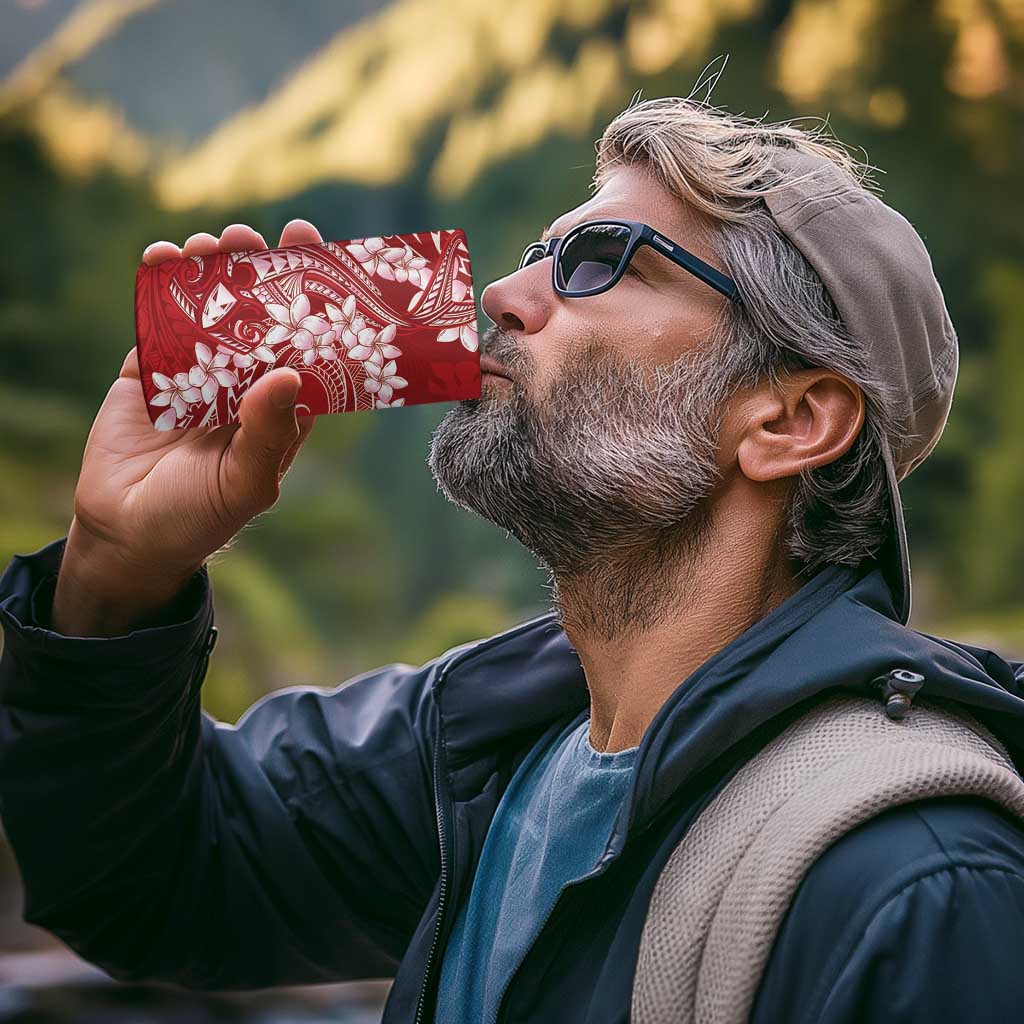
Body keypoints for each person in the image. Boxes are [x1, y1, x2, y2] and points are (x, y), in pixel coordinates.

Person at [2, 94, 1024, 1024]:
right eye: (540, 252)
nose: (501, 292)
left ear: (790, 419)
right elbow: (149, 880)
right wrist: (115, 573)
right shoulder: (480, 749)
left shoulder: (918, 884)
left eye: (600, 261)